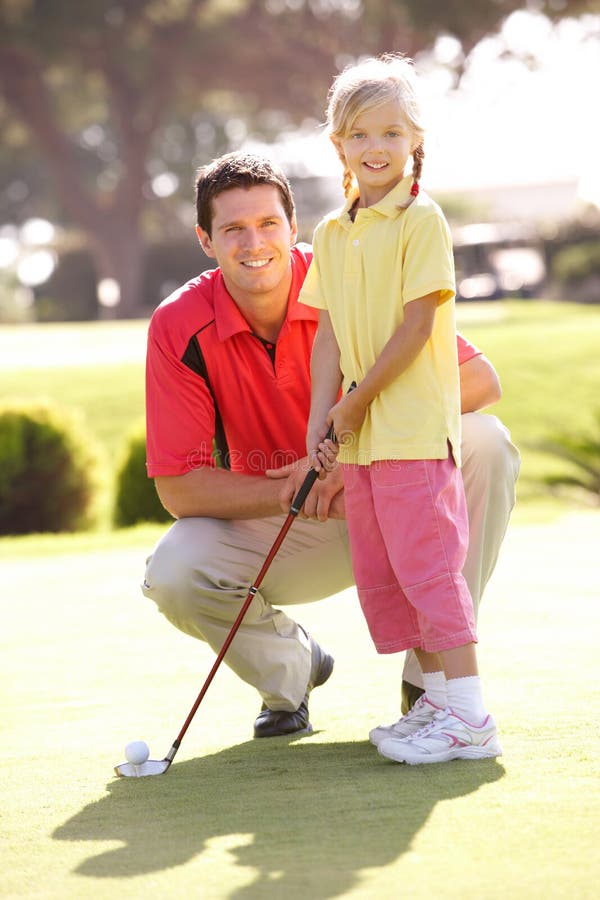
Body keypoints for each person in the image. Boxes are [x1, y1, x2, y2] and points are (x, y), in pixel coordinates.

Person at [142, 149, 520, 743]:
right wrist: (290, 483)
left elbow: (479, 382)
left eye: (268, 223)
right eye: (233, 229)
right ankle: (293, 673)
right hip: (292, 520)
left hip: (396, 491)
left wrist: (353, 455)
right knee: (174, 571)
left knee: (485, 444)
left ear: (293, 228)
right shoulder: (177, 324)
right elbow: (178, 487)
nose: (253, 242)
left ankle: (433, 675)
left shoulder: (349, 270)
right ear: (205, 240)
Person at [297, 54, 505, 764]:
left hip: (411, 432)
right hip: (360, 442)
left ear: (416, 140)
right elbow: (325, 332)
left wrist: (353, 404)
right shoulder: (330, 232)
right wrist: (319, 419)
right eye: (360, 134)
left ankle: (471, 718)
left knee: (429, 568)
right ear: (338, 146)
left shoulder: (423, 220)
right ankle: (440, 706)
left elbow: (418, 327)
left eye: (392, 131)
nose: (376, 146)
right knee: (386, 573)